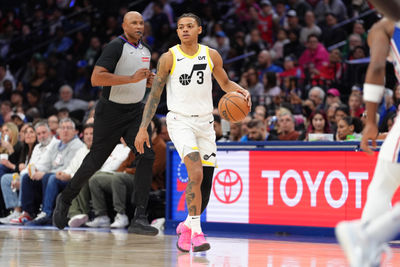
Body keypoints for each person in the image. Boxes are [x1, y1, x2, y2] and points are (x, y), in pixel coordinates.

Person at [134, 13, 251, 252]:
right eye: (180, 27)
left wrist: (241, 91)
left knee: (205, 186)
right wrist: (142, 128)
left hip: (206, 123)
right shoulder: (169, 57)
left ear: (199, 29)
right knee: (195, 174)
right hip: (180, 122)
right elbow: (155, 96)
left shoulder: (211, 55)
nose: (184, 30)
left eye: (189, 26)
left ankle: (186, 226)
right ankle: (197, 233)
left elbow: (225, 83)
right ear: (177, 32)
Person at [52, 11, 159, 236]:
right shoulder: (115, 47)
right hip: (110, 111)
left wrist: (146, 82)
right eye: (134, 22)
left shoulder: (146, 51)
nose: (139, 26)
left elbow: (138, 81)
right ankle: (66, 198)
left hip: (135, 111)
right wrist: (131, 79)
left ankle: (139, 217)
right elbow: (96, 78)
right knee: (94, 161)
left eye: (141, 22)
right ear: (124, 26)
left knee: (146, 155)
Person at [335, 15, 400, 266]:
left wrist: (371, 121)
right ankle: (367, 236)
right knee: (383, 184)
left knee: (382, 185)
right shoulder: (385, 27)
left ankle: (366, 241)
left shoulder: (382, 27)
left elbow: (376, 69)